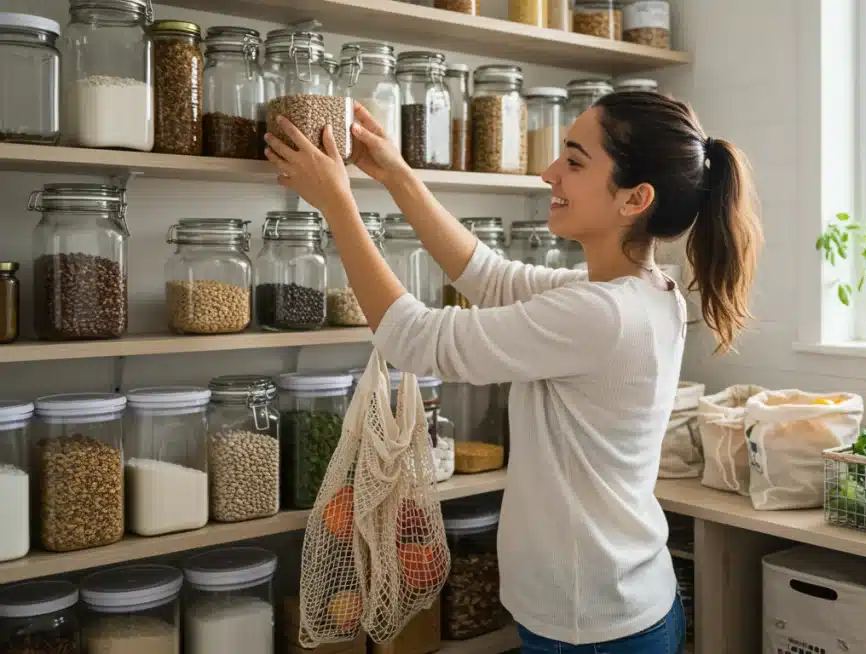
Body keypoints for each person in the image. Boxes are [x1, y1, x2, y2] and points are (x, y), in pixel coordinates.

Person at [264, 91, 762, 653]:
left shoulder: (602, 314)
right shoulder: (637, 295)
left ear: (635, 198)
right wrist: (398, 176)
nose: (550, 173)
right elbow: (490, 277)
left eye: (574, 162)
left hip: (592, 628)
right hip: (614, 605)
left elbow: (416, 339)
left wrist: (336, 203)